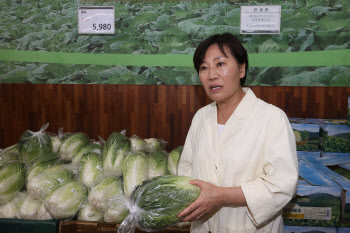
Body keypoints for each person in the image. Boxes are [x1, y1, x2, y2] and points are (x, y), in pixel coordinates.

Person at [177, 33, 298, 233]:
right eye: (203, 68)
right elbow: (186, 169)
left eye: (220, 64)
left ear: (242, 69)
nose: (211, 75)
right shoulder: (201, 118)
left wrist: (221, 196)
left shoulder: (272, 118)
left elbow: (282, 185)